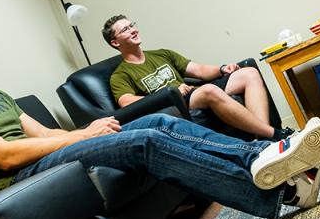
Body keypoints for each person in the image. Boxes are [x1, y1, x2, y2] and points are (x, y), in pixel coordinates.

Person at [0, 22, 320, 218]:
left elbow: (47, 133)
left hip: (43, 156)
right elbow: (5, 157)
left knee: (160, 125)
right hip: (20, 177)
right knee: (143, 142)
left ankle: (267, 152)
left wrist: (83, 133)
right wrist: (83, 135)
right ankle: (281, 193)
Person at [102, 15, 292, 141]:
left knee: (248, 72)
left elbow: (199, 70)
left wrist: (222, 68)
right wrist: (170, 94)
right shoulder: (120, 74)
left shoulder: (162, 54)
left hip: (192, 95)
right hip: (173, 105)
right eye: (125, 30)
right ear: (115, 42)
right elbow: (127, 102)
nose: (133, 30)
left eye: (131, 25)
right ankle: (274, 135)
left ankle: (266, 138)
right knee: (209, 90)